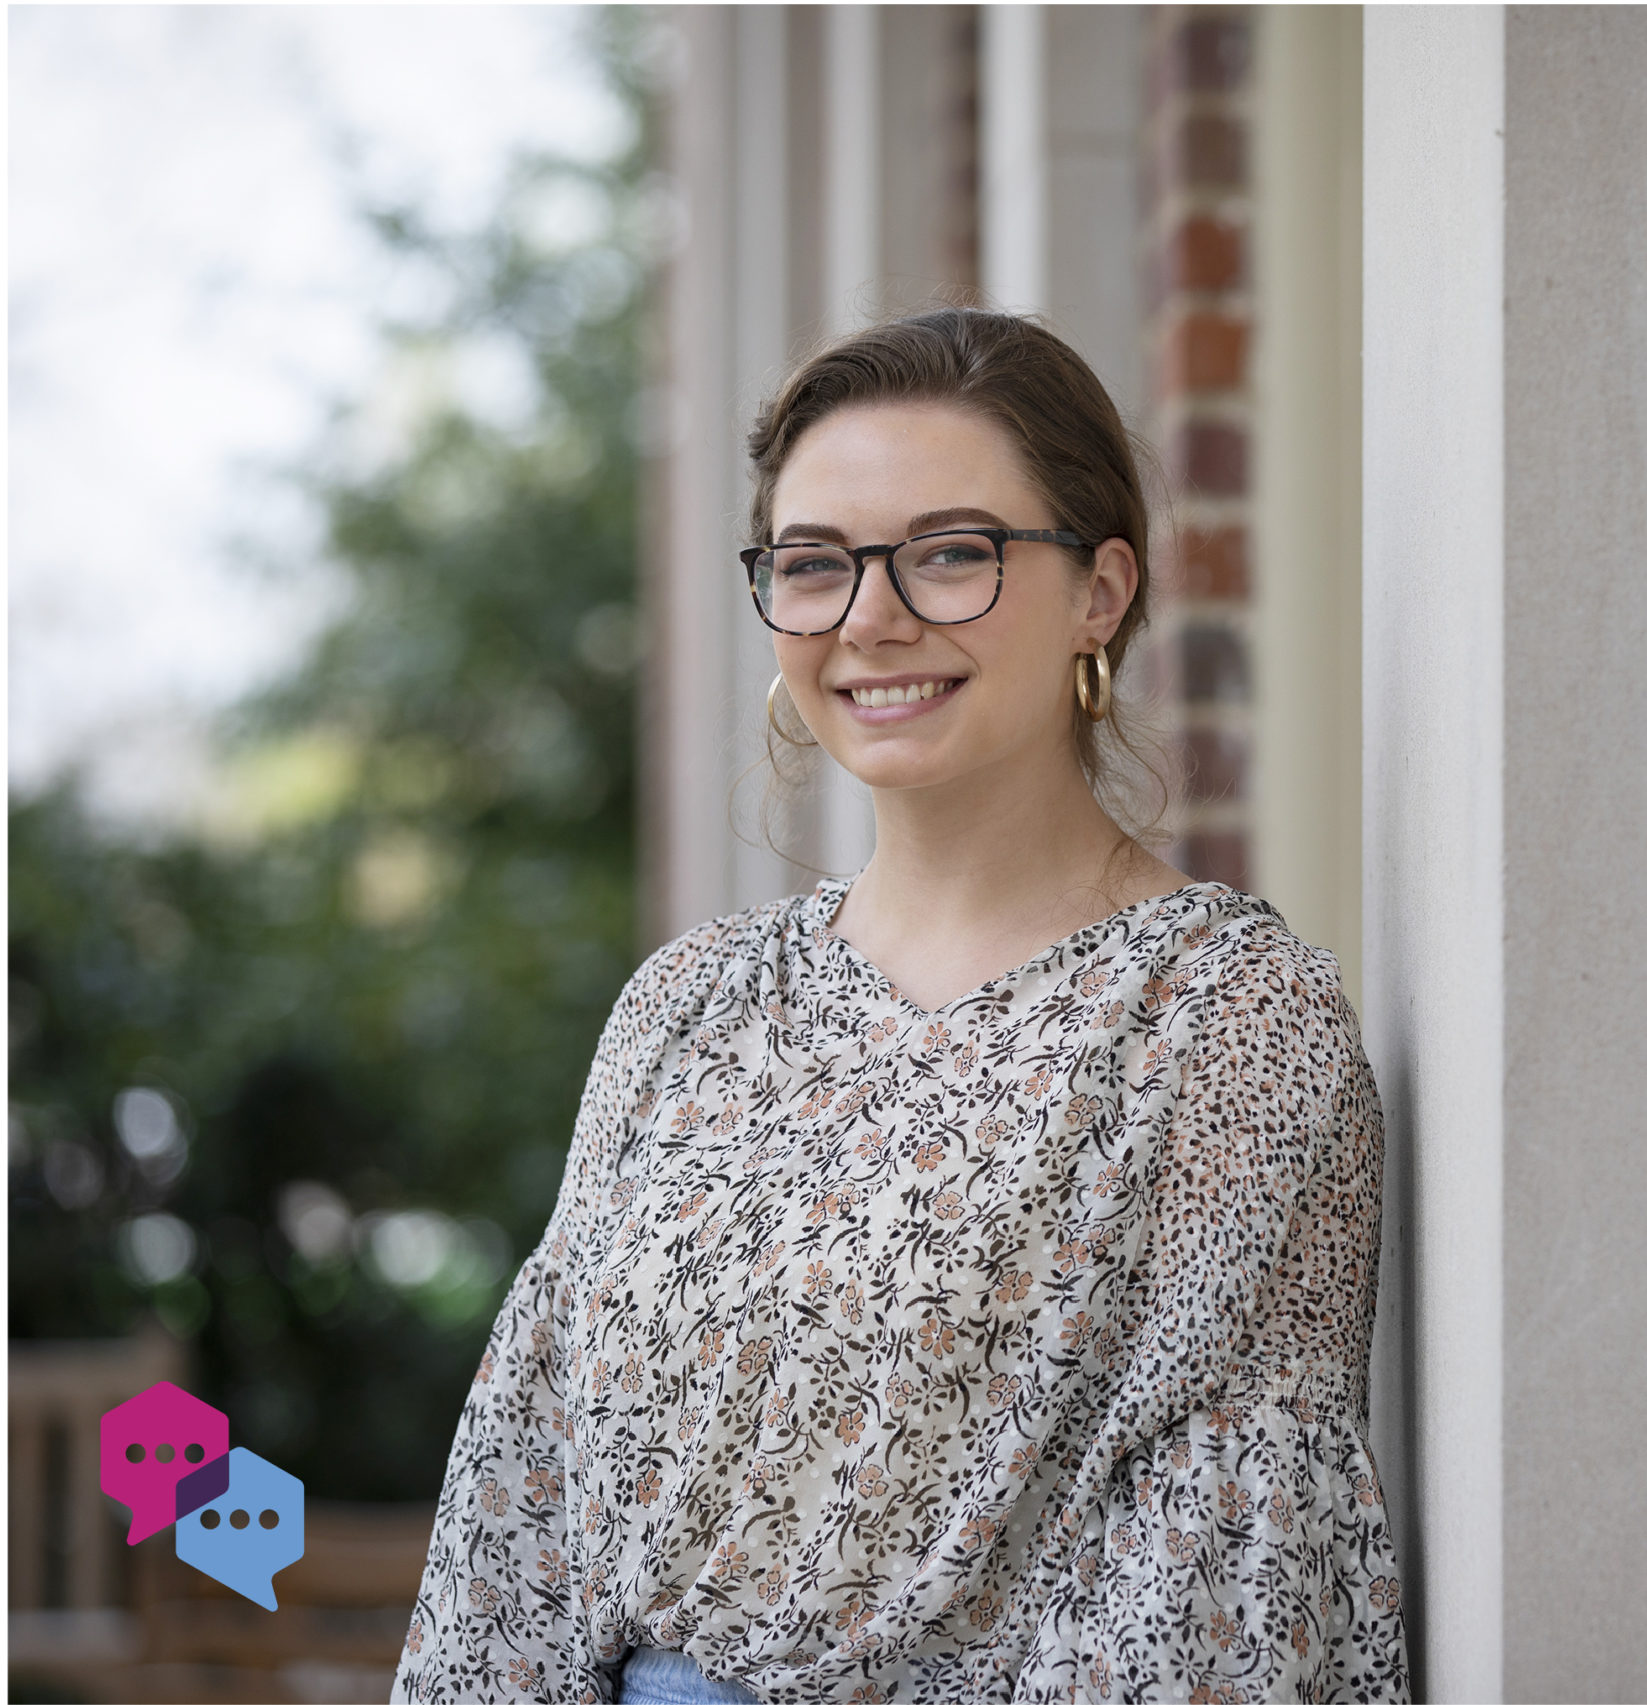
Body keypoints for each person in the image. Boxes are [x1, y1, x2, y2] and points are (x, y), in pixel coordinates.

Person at [393, 308, 1408, 1704]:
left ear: (1100, 590)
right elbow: (521, 1505)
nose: (872, 616)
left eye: (950, 553)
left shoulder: (1217, 1016)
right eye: (815, 564)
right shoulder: (690, 1004)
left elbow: (1215, 1582)